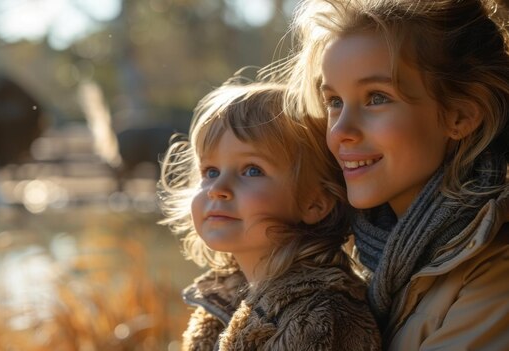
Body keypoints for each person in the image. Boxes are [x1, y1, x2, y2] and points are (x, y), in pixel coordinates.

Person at [281, 0, 509, 349]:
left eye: (376, 98)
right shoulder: (351, 252)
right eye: (334, 101)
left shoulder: (495, 276)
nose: (341, 131)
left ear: (460, 115)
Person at [158, 80, 381, 350]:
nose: (218, 189)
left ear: (315, 203)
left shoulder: (318, 317)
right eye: (211, 171)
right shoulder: (222, 301)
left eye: (252, 170)